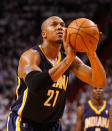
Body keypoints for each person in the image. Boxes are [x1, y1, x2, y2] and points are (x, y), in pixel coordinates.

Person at [7, 16, 106, 131]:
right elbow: (35, 84)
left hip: (53, 126)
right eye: (54, 24)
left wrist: (92, 53)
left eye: (63, 25)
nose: (60, 27)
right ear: (44, 34)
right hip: (25, 123)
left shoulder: (69, 59)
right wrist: (68, 60)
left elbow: (99, 81)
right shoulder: (32, 55)